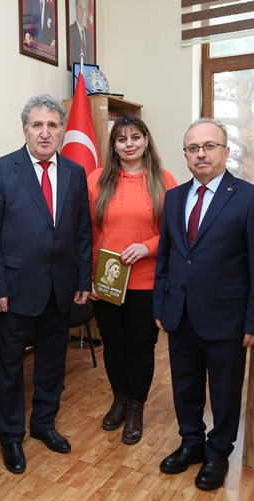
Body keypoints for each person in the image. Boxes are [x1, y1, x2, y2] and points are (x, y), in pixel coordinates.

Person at [153, 117, 254, 491]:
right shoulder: (174, 198)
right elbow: (169, 257)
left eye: (209, 146)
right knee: (184, 387)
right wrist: (160, 305)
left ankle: (218, 452)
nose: (201, 154)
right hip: (180, 313)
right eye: (193, 148)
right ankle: (191, 442)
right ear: (186, 155)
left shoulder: (251, 198)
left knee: (223, 391)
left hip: (227, 317)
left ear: (226, 150)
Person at [0, 94, 92, 475]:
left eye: (52, 125)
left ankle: (44, 423)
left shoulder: (75, 173)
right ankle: (10, 437)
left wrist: (83, 278)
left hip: (60, 289)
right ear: (24, 128)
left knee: (51, 366)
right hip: (13, 292)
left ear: (62, 130)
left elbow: (82, 233)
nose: (45, 133)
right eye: (37, 125)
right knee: (8, 370)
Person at [87, 115, 177, 445]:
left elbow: (174, 232)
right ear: (113, 146)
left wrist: (148, 247)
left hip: (146, 280)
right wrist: (90, 277)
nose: (129, 144)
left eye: (135, 137)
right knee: (113, 345)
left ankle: (136, 409)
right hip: (107, 281)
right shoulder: (97, 180)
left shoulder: (164, 180)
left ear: (146, 139)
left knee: (141, 347)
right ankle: (120, 399)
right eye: (121, 139)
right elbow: (89, 232)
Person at [68, 0, 93, 65]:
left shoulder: (88, 34)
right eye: (80, 8)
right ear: (76, 9)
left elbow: (91, 62)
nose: (83, 14)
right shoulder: (70, 31)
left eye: (84, 10)